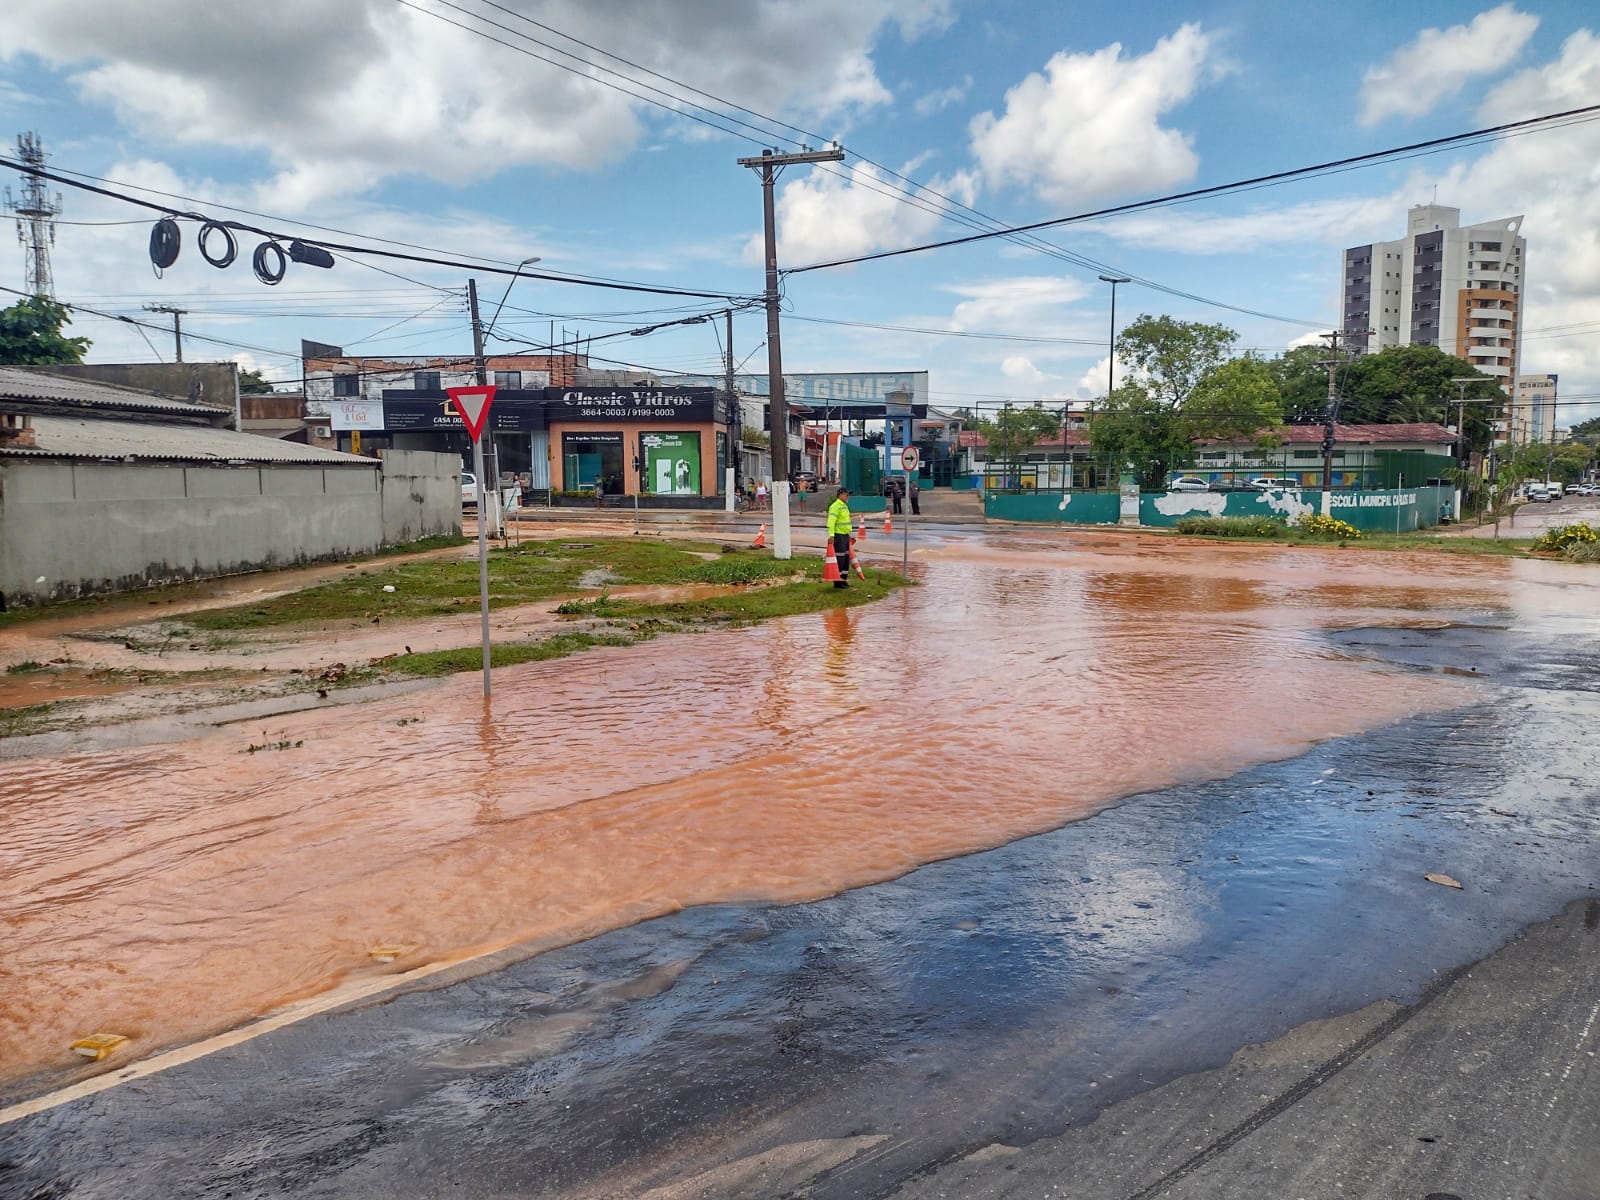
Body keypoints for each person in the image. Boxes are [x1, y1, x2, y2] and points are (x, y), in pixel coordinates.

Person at [827, 486, 853, 589]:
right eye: (846, 495)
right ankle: (838, 582)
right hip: (838, 536)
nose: (848, 497)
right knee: (840, 559)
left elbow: (846, 521)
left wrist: (848, 534)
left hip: (845, 535)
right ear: (841, 495)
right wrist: (831, 535)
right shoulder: (835, 506)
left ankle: (843, 580)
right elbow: (831, 522)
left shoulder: (844, 506)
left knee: (846, 559)